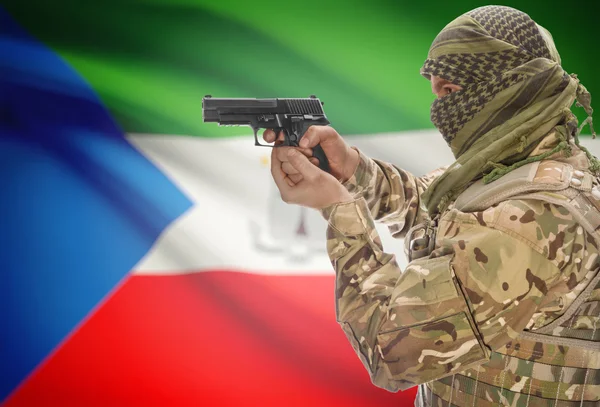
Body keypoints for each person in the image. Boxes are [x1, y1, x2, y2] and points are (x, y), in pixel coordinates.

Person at [264, 5, 600, 407]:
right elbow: (432, 208)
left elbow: (392, 354)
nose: (440, 109)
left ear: (509, 85)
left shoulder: (533, 219)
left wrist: (340, 209)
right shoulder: (520, 168)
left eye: (451, 91)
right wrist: (351, 169)